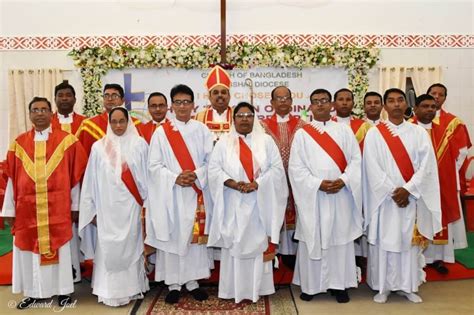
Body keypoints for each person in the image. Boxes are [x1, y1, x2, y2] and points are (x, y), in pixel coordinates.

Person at [1, 97, 87, 309]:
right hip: (27, 211)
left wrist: (75, 206)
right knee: (30, 253)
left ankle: (63, 291)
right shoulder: (18, 144)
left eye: (44, 109)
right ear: (29, 114)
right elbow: (12, 179)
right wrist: (9, 210)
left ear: (51, 113)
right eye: (35, 110)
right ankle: (33, 292)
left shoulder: (67, 142)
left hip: (58, 210)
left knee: (61, 251)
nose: (39, 113)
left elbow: (74, 178)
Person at [363, 88, 442, 304]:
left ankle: (408, 285)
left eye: (400, 100)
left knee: (408, 243)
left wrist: (408, 189)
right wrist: (393, 191)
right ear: (384, 106)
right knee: (384, 242)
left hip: (411, 198)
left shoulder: (418, 133)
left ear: (406, 105)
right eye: (391, 101)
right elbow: (372, 167)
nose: (396, 104)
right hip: (385, 200)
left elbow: (427, 167)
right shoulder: (374, 134)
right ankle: (383, 287)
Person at [208, 102, 288, 303]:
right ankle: (232, 290)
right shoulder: (224, 142)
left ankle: (257, 289)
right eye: (240, 115)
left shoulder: (267, 142)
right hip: (232, 201)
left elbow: (277, 171)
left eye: (248, 115)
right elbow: (214, 170)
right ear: (233, 119)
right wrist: (233, 183)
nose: (244, 118)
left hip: (259, 203)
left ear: (254, 118)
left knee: (257, 244)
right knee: (235, 246)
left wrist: (257, 184)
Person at [289, 89, 363, 303]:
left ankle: (339, 285)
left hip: (341, 194)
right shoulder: (303, 134)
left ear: (331, 105)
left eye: (324, 101)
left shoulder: (344, 131)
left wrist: (344, 180)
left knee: (340, 239)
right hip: (314, 197)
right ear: (310, 107)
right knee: (314, 236)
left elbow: (356, 161)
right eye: (315, 102)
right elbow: (296, 167)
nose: (320, 105)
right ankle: (311, 286)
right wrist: (317, 184)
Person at [145, 84, 213, 304]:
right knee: (173, 235)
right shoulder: (161, 132)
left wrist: (195, 175)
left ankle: (193, 282)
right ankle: (173, 284)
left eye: (186, 102)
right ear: (171, 106)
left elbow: (211, 162)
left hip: (194, 191)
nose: (182, 106)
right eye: (178, 102)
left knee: (193, 238)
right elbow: (153, 165)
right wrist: (175, 177)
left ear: (193, 105)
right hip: (171, 194)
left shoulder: (202, 130)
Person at [79, 107, 149, 306]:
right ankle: (107, 290)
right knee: (109, 248)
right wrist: (90, 209)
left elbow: (146, 179)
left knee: (131, 246)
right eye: (114, 122)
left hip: (132, 208)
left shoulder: (139, 145)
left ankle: (132, 289)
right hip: (106, 209)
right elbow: (91, 181)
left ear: (129, 122)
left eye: (122, 121)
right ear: (108, 123)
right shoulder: (98, 148)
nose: (118, 126)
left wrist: (147, 205)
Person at [412, 93, 471, 274]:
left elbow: (457, 158)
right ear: (415, 109)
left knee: (438, 217)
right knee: (417, 218)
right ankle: (414, 258)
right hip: (415, 185)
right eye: (425, 106)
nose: (430, 110)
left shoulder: (444, 131)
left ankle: (437, 258)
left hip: (440, 183)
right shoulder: (408, 129)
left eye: (433, 107)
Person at [261, 86, 305, 268]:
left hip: (297, 179)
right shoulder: (262, 126)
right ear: (271, 103)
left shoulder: (303, 125)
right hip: (272, 180)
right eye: (279, 98)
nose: (283, 101)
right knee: (273, 212)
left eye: (286, 97)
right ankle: (273, 255)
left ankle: (293, 255)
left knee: (297, 214)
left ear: (292, 101)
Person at [51, 80, 85, 283]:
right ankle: (62, 273)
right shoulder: (46, 122)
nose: (64, 99)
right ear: (55, 99)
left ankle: (78, 267)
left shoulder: (84, 123)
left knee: (77, 225)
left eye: (68, 95)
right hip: (54, 188)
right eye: (60, 95)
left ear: (74, 98)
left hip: (79, 182)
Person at [75, 83, 141, 156]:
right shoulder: (89, 125)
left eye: (114, 96)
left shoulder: (135, 124)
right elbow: (80, 155)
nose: (110, 99)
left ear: (122, 100)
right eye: (106, 96)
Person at [195, 65, 233, 143]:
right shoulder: (199, 118)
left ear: (229, 96)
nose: (220, 95)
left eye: (223, 92)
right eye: (215, 93)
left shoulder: (237, 116)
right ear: (209, 97)